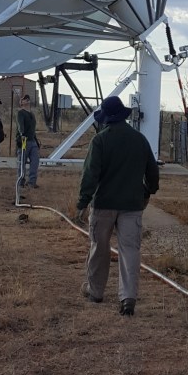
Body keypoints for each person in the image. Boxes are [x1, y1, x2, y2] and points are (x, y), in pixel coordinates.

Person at [75, 95, 160, 316]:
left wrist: (83, 202)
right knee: (130, 250)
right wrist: (148, 190)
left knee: (99, 247)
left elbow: (90, 175)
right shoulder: (140, 140)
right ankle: (128, 298)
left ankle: (95, 291)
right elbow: (152, 171)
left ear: (106, 119)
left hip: (104, 204)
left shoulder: (100, 141)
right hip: (132, 205)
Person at [16, 94, 40, 189]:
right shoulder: (20, 113)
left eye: (27, 99)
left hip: (32, 140)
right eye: (24, 99)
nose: (26, 100)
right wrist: (22, 134)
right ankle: (21, 182)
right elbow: (20, 125)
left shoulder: (32, 114)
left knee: (35, 161)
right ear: (21, 102)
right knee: (22, 162)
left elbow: (32, 129)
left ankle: (31, 182)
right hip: (24, 140)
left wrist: (36, 141)